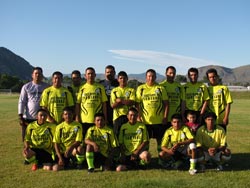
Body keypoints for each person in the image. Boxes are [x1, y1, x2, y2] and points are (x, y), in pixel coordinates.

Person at [136, 69, 169, 152]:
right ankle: (144, 156)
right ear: (146, 77)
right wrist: (138, 116)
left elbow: (166, 104)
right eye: (149, 76)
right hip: (145, 120)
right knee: (145, 139)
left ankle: (153, 154)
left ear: (156, 77)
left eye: (153, 76)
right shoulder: (141, 88)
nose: (151, 78)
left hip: (158, 119)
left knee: (156, 139)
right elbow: (137, 104)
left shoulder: (160, 88)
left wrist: (165, 117)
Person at [18, 67, 49, 141]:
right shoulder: (26, 87)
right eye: (36, 73)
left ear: (42, 75)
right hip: (29, 117)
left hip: (43, 118)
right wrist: (20, 115)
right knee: (27, 139)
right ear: (32, 75)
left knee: (40, 139)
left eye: (39, 73)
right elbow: (22, 101)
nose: (37, 75)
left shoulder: (47, 87)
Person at [75, 67, 108, 137]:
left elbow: (104, 103)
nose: (90, 75)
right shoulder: (81, 88)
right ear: (85, 75)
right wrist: (77, 117)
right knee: (85, 141)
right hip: (84, 120)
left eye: (92, 74)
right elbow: (78, 104)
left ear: (95, 75)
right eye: (88, 74)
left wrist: (105, 118)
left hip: (97, 120)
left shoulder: (100, 87)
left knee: (96, 140)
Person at [116, 107, 151, 171]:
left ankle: (142, 164)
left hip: (139, 152)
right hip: (127, 153)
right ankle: (134, 166)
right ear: (127, 116)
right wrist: (123, 154)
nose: (133, 117)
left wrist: (136, 152)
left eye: (135, 115)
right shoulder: (123, 127)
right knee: (119, 169)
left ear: (137, 116)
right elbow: (120, 142)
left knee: (146, 155)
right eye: (131, 115)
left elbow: (146, 141)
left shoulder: (142, 126)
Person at [110, 71, 136, 136]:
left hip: (129, 117)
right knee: (117, 137)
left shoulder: (131, 90)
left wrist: (120, 101)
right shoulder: (114, 91)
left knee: (128, 136)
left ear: (127, 79)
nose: (122, 80)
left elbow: (132, 102)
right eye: (121, 78)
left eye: (124, 78)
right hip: (117, 117)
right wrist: (126, 101)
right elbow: (113, 105)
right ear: (118, 79)